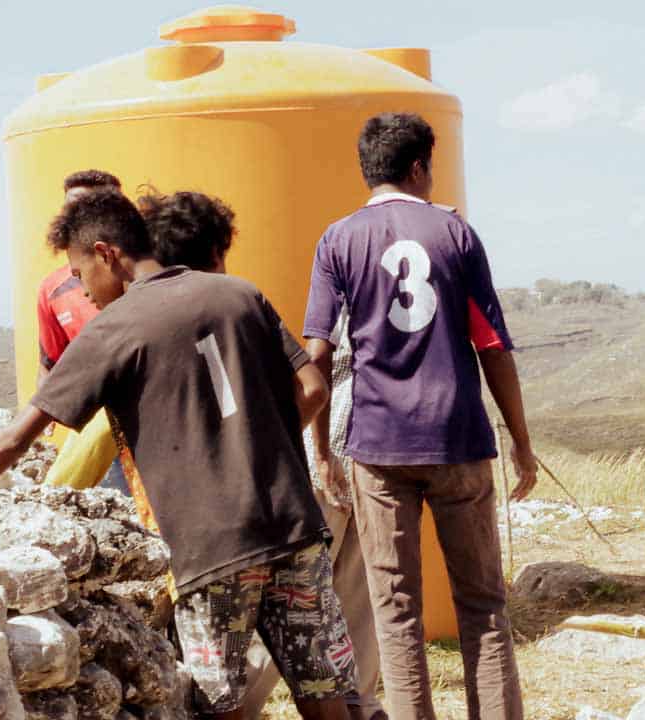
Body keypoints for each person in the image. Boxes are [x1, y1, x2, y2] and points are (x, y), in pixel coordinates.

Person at [0, 189, 356, 720]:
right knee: (323, 693)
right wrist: (260, 443)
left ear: (107, 253)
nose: (81, 290)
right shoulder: (239, 293)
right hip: (291, 525)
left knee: (222, 705)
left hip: (210, 550)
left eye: (79, 273)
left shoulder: (112, 330)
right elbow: (313, 389)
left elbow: (16, 438)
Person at [302, 112, 538, 720]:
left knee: (396, 608)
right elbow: (491, 345)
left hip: (378, 446)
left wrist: (322, 451)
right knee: (483, 605)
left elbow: (319, 353)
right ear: (418, 167)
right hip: (457, 436)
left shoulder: (337, 240)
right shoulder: (456, 234)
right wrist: (520, 439)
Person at [138, 189, 387, 720]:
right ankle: (362, 704)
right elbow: (313, 383)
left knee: (226, 672)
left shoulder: (144, 318)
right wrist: (277, 443)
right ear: (220, 249)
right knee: (332, 638)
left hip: (220, 521)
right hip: (320, 482)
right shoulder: (244, 299)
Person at [36, 169, 129, 493]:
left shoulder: (148, 274)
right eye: (70, 209)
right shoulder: (53, 289)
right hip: (96, 432)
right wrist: (44, 412)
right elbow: (50, 361)